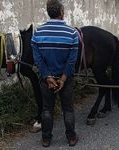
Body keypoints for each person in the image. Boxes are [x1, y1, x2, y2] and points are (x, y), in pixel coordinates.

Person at [31, 0, 79, 147]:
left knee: (47, 109)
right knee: (68, 108)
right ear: (61, 12)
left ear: (49, 13)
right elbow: (72, 60)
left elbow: (37, 59)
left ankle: (46, 139)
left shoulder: (38, 33)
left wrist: (48, 77)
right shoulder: (72, 33)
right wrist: (63, 79)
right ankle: (71, 138)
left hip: (47, 80)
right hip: (66, 79)